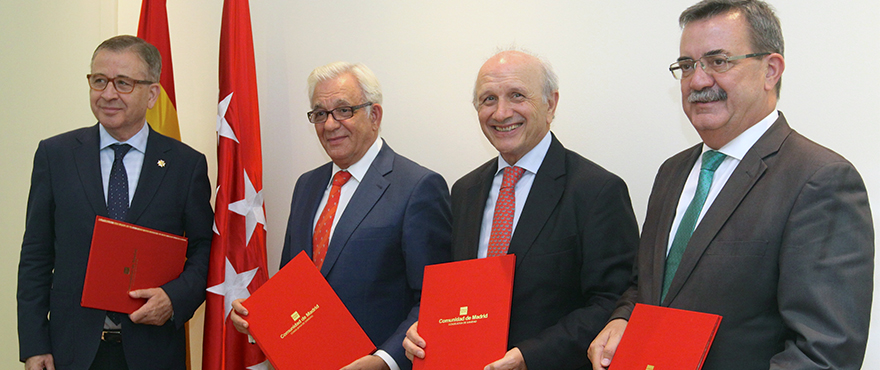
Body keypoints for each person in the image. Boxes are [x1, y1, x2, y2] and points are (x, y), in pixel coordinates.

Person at [588, 1, 874, 369]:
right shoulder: (671, 173)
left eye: (718, 61)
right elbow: (647, 284)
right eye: (687, 65)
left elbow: (825, 353)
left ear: (770, 70)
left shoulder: (820, 180)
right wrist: (621, 318)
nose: (698, 80)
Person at [404, 50, 640, 370]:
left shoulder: (596, 190)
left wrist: (530, 356)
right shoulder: (464, 191)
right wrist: (426, 329)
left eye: (517, 96)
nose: (501, 113)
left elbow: (612, 301)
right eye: (488, 99)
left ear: (551, 104)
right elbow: (455, 294)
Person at [230, 62, 452, 370]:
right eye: (320, 113)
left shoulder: (418, 187)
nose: (330, 124)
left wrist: (383, 360)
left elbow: (434, 301)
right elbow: (292, 284)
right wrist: (258, 315)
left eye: (344, 110)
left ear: (375, 115)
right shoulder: (306, 185)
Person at [17, 35, 213, 370]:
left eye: (123, 83)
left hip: (153, 351)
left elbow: (203, 248)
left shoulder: (185, 165)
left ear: (151, 94)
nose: (108, 94)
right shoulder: (56, 155)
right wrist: (35, 345)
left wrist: (174, 298)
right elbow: (36, 255)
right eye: (99, 81)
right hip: (71, 352)